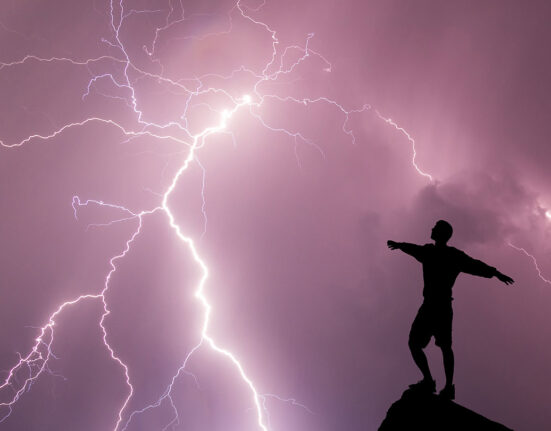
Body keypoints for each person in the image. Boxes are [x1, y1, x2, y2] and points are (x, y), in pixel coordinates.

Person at [387, 220, 514, 400]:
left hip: (436, 306)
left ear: (440, 233)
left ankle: (437, 384)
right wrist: (400, 245)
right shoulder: (441, 253)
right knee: (432, 345)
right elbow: (414, 249)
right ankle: (439, 384)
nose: (431, 229)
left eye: (434, 228)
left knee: (430, 345)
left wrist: (495, 273)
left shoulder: (437, 253)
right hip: (439, 306)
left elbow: (475, 265)